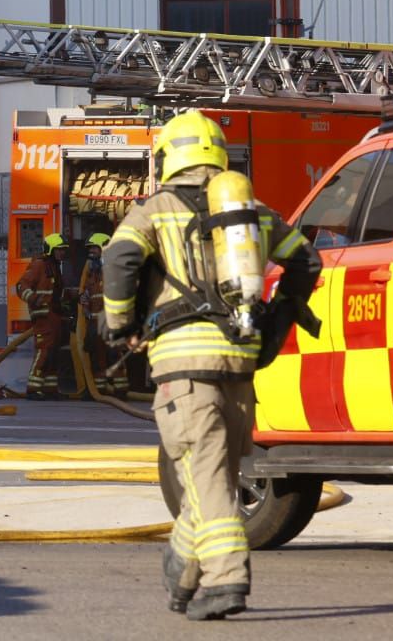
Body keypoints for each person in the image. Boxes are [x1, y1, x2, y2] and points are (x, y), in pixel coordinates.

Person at [102, 110, 320, 620]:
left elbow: (119, 260)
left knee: (204, 480)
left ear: (167, 159)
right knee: (212, 475)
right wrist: (276, 319)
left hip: (184, 367)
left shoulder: (154, 210)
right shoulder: (251, 211)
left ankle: (227, 579)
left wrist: (118, 323)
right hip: (240, 363)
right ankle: (182, 567)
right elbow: (306, 260)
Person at [14, 233, 71, 400]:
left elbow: (55, 293)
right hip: (43, 316)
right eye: (60, 250)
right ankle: (33, 388)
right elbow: (21, 286)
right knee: (44, 351)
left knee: (53, 353)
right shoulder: (39, 265)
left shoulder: (54, 267)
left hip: (54, 316)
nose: (62, 253)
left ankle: (50, 389)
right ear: (51, 250)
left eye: (64, 250)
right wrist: (34, 299)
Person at [77, 232, 127, 398]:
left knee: (115, 356)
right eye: (90, 249)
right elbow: (86, 294)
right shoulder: (93, 273)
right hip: (95, 323)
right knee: (97, 357)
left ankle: (120, 390)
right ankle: (99, 390)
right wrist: (84, 305)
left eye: (94, 248)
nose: (91, 252)